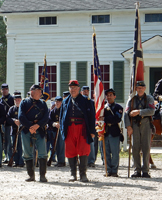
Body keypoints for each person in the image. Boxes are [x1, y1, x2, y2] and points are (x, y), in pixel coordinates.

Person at [60, 80, 95, 182]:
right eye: (71, 88)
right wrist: (63, 130)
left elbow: (91, 116)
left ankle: (83, 174)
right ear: (69, 89)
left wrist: (92, 130)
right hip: (70, 128)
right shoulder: (65, 101)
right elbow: (62, 117)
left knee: (83, 150)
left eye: (75, 88)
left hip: (82, 128)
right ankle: (73, 174)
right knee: (70, 151)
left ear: (79, 89)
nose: (73, 89)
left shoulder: (86, 101)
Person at [18, 84, 49, 182]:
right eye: (39, 91)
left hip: (39, 129)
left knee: (43, 153)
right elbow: (21, 116)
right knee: (27, 153)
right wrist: (30, 127)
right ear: (32, 92)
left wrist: (37, 125)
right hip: (27, 129)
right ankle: (31, 176)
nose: (41, 93)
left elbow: (46, 117)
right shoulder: (24, 102)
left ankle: (42, 176)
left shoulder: (43, 103)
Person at [124, 81, 155, 178]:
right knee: (135, 147)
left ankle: (145, 170)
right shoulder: (132, 99)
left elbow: (152, 111)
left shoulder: (149, 98)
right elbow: (126, 113)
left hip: (146, 124)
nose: (140, 89)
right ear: (136, 89)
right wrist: (128, 126)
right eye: (138, 87)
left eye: (142, 87)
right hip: (135, 125)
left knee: (146, 148)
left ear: (145, 88)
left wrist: (139, 112)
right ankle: (137, 170)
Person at [100, 88, 123, 177]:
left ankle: (114, 171)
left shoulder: (118, 107)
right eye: (107, 95)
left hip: (114, 132)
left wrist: (105, 119)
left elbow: (117, 119)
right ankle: (108, 170)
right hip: (105, 132)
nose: (109, 97)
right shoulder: (102, 108)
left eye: (111, 95)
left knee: (115, 153)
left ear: (114, 96)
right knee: (105, 153)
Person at [6, 94, 24, 167]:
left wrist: (20, 121)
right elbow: (8, 118)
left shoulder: (23, 109)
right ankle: (16, 161)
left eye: (19, 100)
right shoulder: (11, 109)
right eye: (16, 100)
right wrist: (14, 121)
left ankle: (21, 162)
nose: (17, 101)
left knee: (21, 146)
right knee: (14, 146)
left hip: (22, 130)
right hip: (14, 130)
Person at [81, 86, 96, 168]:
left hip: (89, 125)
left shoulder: (91, 102)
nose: (86, 92)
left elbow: (93, 115)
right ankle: (82, 160)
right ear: (81, 92)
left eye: (87, 91)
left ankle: (91, 161)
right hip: (81, 125)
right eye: (84, 91)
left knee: (91, 143)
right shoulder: (80, 101)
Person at [48, 96, 65, 167]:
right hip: (54, 130)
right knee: (55, 146)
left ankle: (61, 161)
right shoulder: (53, 111)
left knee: (61, 146)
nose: (57, 103)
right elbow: (49, 120)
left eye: (59, 102)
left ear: (61, 102)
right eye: (56, 102)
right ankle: (58, 160)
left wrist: (61, 124)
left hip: (62, 130)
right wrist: (54, 124)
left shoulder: (64, 110)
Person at [0, 83, 14, 163]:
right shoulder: (1, 100)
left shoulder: (11, 99)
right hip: (2, 122)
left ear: (8, 90)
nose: (4, 91)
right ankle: (5, 156)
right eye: (3, 89)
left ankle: (9, 156)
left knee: (9, 140)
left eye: (6, 89)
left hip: (9, 122)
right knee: (3, 140)